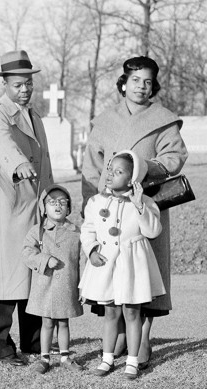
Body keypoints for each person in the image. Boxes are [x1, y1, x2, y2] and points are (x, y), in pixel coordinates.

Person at [81, 56, 188, 369]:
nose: (142, 86)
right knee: (112, 276)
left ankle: (141, 339)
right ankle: (116, 342)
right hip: (106, 207)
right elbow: (91, 164)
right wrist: (91, 202)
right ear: (123, 83)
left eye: (148, 81)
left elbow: (175, 156)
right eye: (136, 79)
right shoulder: (103, 120)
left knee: (143, 274)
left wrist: (141, 169)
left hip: (143, 205)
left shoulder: (163, 119)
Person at [0, 50, 54, 367]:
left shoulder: (34, 116)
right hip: (9, 204)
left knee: (35, 274)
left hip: (36, 205)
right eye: (19, 84)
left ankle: (34, 342)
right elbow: (2, 143)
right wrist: (18, 164)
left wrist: (52, 196)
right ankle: (2, 345)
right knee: (5, 278)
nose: (25, 89)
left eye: (29, 84)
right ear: (5, 84)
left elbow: (45, 162)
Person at [22, 184, 84, 374]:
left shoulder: (76, 232)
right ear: (44, 207)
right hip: (45, 287)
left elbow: (83, 259)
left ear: (69, 207)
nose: (57, 206)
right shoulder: (37, 231)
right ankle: (45, 358)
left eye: (62, 202)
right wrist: (45, 259)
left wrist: (83, 286)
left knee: (64, 322)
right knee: (47, 323)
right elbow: (26, 252)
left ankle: (65, 357)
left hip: (66, 285)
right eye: (52, 202)